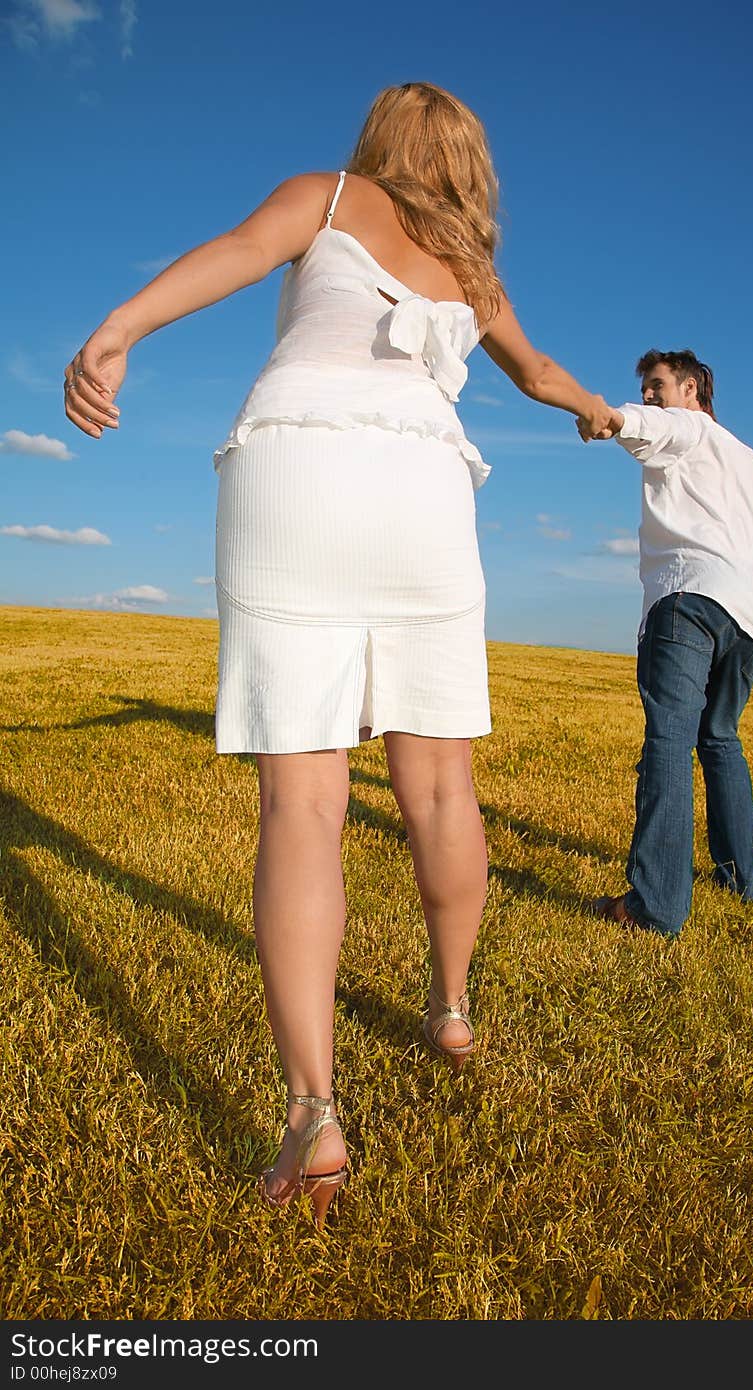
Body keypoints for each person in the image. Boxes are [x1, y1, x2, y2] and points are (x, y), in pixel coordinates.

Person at [63, 81, 612, 1227]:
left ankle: (314, 1114)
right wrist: (603, 415)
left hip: (296, 464)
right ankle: (452, 1006)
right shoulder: (472, 270)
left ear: (378, 145)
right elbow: (544, 373)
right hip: (422, 481)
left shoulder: (326, 199)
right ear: (467, 159)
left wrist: (116, 329)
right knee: (442, 783)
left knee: (303, 805)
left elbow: (231, 251)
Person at [575, 349, 753, 940]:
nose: (650, 396)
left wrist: (607, 417)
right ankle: (742, 877)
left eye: (657, 386)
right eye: (646, 389)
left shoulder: (685, 427)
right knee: (721, 739)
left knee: (670, 744)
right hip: (750, 618)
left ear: (691, 389)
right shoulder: (751, 461)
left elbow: (650, 424)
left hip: (691, 598)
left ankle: (657, 906)